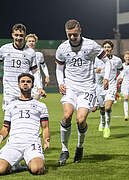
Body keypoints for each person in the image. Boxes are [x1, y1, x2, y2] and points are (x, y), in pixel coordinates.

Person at [56, 19, 107, 165]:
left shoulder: (91, 45)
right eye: (69, 35)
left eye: (75, 35)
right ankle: (64, 150)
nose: (72, 38)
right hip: (70, 87)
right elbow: (59, 68)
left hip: (87, 88)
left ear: (80, 31)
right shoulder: (62, 48)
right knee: (66, 116)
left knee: (81, 119)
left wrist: (106, 77)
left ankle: (80, 146)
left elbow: (107, 61)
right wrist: (61, 83)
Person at [0, 73, 50, 175]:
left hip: (32, 143)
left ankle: (31, 161)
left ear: (32, 85)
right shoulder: (10, 106)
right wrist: (1, 136)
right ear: (18, 85)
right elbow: (5, 128)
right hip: (14, 144)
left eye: (28, 82)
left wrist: (46, 140)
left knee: (37, 169)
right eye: (22, 81)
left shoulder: (41, 106)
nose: (25, 84)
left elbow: (45, 127)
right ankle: (16, 164)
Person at [0, 24, 45, 110]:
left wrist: (39, 87)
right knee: (9, 117)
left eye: (21, 35)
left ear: (24, 36)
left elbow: (35, 71)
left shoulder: (31, 52)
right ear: (12, 35)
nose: (18, 38)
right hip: (9, 90)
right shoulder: (4, 49)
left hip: (24, 89)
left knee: (22, 117)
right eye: (16, 35)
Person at [93, 40, 123, 138]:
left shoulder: (117, 60)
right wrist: (95, 71)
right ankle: (102, 121)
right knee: (101, 108)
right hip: (100, 87)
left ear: (111, 49)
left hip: (111, 85)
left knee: (108, 107)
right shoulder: (97, 59)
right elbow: (90, 71)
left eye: (108, 47)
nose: (107, 49)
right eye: (105, 47)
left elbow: (122, 70)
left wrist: (120, 77)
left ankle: (107, 126)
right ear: (103, 49)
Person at [25, 33, 50, 100]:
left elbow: (44, 65)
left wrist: (47, 76)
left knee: (35, 102)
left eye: (33, 41)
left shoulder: (39, 55)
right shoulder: (22, 55)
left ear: (35, 42)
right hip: (26, 80)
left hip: (37, 81)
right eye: (29, 41)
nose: (31, 43)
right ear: (26, 42)